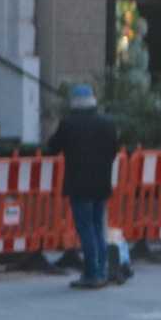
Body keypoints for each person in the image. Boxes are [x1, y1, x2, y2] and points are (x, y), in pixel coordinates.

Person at [47, 83, 119, 289]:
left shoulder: (69, 124)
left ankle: (91, 274)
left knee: (86, 228)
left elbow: (53, 146)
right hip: (102, 183)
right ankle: (102, 271)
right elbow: (114, 151)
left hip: (79, 183)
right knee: (98, 227)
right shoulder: (107, 124)